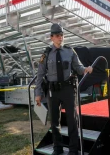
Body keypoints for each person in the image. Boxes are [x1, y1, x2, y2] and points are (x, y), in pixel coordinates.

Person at [35, 23, 93, 155]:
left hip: (68, 89)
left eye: (61, 35)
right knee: (54, 121)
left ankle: (73, 150)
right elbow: (40, 74)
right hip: (52, 91)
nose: (60, 37)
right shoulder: (46, 54)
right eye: (57, 35)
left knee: (73, 120)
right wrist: (38, 94)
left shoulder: (69, 51)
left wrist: (86, 69)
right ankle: (58, 148)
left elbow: (78, 67)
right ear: (51, 37)